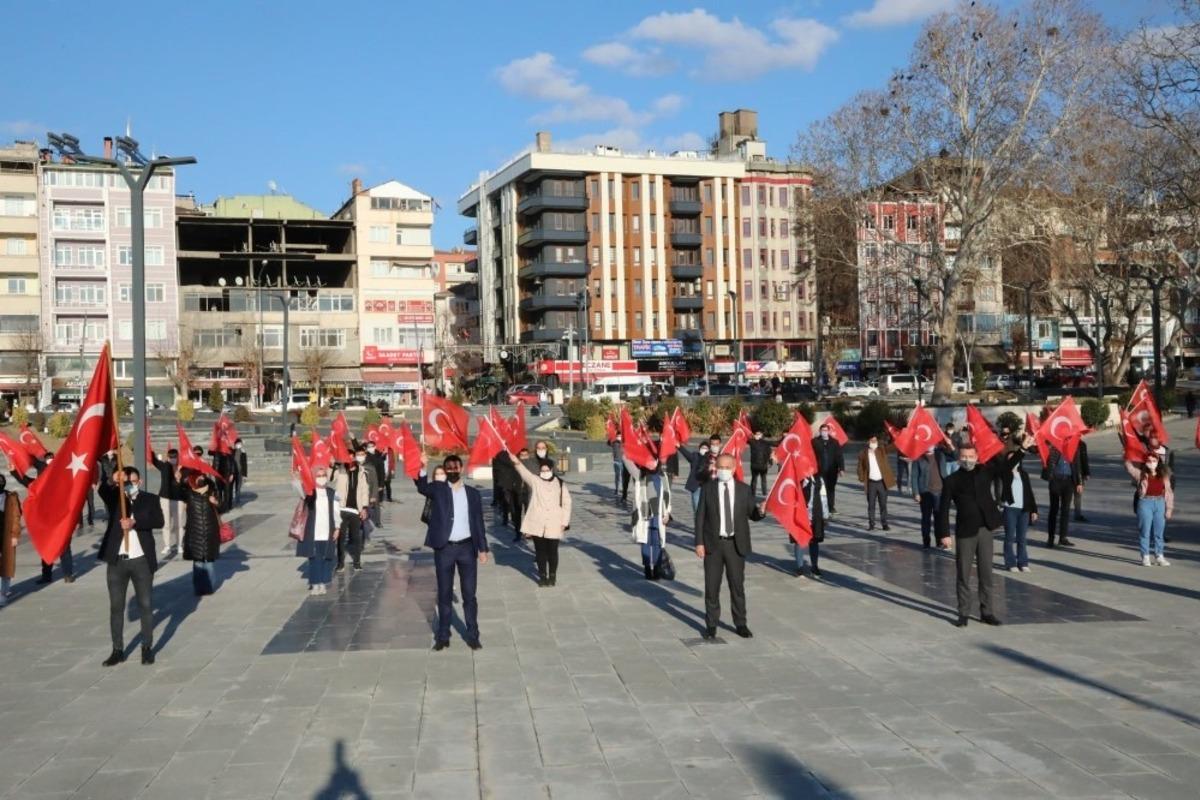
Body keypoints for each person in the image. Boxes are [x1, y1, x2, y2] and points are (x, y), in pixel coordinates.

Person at [937, 441, 1025, 627]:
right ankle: (963, 613)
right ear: (958, 458)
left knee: (986, 573)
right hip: (965, 532)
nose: (967, 460)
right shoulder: (952, 480)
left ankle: (987, 612)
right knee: (963, 574)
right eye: (964, 457)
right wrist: (944, 533)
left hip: (986, 529)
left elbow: (1006, 467)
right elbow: (943, 509)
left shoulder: (985, 471)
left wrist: (1022, 449)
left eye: (970, 456)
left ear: (976, 457)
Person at [416, 454, 488, 651]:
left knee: (469, 595)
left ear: (461, 469)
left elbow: (478, 523)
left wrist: (483, 549)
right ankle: (443, 635)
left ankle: (473, 635)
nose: (452, 471)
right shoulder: (438, 490)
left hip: (467, 549)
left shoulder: (473, 494)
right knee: (444, 594)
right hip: (445, 549)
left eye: (455, 468)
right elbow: (422, 487)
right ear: (445, 471)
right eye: (448, 468)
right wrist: (422, 466)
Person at [694, 453, 766, 640]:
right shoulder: (708, 489)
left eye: (727, 467)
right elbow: (700, 517)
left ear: (734, 469)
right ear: (715, 469)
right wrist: (699, 542)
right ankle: (711, 625)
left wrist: (761, 511)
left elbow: (752, 514)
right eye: (720, 467)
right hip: (713, 545)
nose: (723, 471)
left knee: (737, 587)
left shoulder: (743, 490)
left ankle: (740, 623)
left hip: (735, 545)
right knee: (711, 588)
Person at [98, 467, 164, 666]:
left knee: (145, 605)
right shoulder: (117, 498)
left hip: (141, 560)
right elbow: (103, 491)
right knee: (116, 607)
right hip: (117, 561)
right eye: (126, 482)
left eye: (133, 482)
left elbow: (158, 520)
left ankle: (146, 647)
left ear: (140, 481)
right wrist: (112, 480)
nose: (130, 485)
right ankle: (117, 649)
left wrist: (135, 522)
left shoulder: (150, 499)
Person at [504, 449, 572, 586]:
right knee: (540, 552)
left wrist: (564, 522)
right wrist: (516, 461)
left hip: (555, 521)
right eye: (543, 470)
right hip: (538, 521)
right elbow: (524, 473)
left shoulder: (560, 483)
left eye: (547, 470)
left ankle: (552, 575)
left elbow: (567, 502)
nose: (544, 472)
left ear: (552, 470)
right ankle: (542, 576)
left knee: (552, 552)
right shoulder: (535, 480)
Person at [293, 465, 340, 596]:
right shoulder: (310, 492)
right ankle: (314, 583)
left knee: (326, 557)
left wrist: (337, 527)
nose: (321, 478)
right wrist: (297, 480)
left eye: (323, 475)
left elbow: (336, 511)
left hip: (327, 530)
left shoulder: (333, 492)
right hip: (312, 530)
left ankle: (323, 582)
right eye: (318, 476)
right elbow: (299, 491)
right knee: (314, 557)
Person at [626, 455, 671, 580]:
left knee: (657, 542)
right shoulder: (640, 474)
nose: (652, 463)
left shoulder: (663, 475)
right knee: (645, 542)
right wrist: (624, 447)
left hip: (658, 514)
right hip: (644, 515)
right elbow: (628, 463)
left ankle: (656, 569)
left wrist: (667, 512)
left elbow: (667, 494)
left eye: (654, 461)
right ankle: (647, 568)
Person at [333, 447, 376, 573]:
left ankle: (357, 562)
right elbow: (330, 477)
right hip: (341, 509)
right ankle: (340, 563)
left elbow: (364, 491)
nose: (351, 458)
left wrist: (364, 508)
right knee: (341, 538)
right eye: (348, 456)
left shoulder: (361, 472)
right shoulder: (340, 470)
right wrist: (332, 464)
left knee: (356, 537)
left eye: (353, 456)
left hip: (355, 510)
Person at [179, 474, 221, 595]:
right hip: (195, 532)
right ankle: (198, 589)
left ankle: (209, 588)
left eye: (202, 476)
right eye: (197, 476)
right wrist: (179, 478)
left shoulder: (212, 491)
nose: (200, 478)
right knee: (198, 562)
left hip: (210, 532)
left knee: (209, 562)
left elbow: (223, 507)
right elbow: (176, 491)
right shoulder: (189, 493)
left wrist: (216, 502)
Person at [1000, 445, 1038, 573]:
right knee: (1009, 537)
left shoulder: (1024, 474)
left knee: (1022, 538)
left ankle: (1023, 562)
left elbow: (1029, 492)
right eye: (1011, 459)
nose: (1014, 461)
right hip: (1010, 508)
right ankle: (1010, 563)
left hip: (1024, 509)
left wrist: (1034, 510)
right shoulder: (1005, 473)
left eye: (1015, 459)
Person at [1133, 454, 1173, 566]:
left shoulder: (1164, 475)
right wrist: (1127, 456)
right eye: (1149, 461)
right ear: (1145, 462)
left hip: (1160, 502)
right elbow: (1129, 467)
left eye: (1154, 460)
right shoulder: (1141, 474)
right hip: (1145, 502)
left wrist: (1169, 509)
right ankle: (1145, 556)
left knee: (1159, 532)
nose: (1151, 463)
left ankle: (1159, 555)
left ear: (1158, 461)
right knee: (1145, 531)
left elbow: (1169, 493)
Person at [1043, 442, 1082, 548]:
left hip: (1068, 481)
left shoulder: (1073, 447)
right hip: (1055, 479)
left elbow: (1077, 465)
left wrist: (1079, 482)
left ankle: (1063, 537)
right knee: (1053, 510)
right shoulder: (1053, 446)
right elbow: (1042, 453)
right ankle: (1051, 538)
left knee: (1066, 510)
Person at [856, 435, 895, 531]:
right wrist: (861, 477)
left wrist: (898, 438)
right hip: (871, 483)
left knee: (883, 504)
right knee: (871, 505)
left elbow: (892, 447)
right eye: (872, 440)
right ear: (868, 442)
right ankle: (871, 524)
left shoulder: (882, 450)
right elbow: (860, 467)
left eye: (875, 440)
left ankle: (884, 524)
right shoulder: (863, 453)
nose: (874, 442)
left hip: (882, 482)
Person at [151, 447, 184, 557]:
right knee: (166, 523)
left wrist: (180, 479)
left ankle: (179, 545)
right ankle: (167, 546)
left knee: (178, 523)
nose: (173, 459)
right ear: (168, 457)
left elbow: (187, 483)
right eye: (171, 457)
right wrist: (149, 449)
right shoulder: (165, 466)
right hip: (165, 498)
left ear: (178, 457)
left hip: (178, 499)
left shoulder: (183, 468)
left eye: (175, 457)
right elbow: (154, 460)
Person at [911, 447, 944, 549]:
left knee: (939, 518)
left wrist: (950, 444)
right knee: (926, 518)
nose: (930, 445)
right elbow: (914, 476)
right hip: (925, 492)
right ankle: (926, 541)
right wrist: (916, 493)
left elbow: (954, 456)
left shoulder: (940, 455)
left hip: (939, 491)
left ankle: (939, 541)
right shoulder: (918, 458)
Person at [794, 474, 826, 578]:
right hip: (801, 514)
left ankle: (814, 566)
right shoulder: (799, 479)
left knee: (814, 540)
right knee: (800, 541)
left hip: (815, 514)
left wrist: (825, 514)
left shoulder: (819, 479)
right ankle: (800, 567)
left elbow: (823, 497)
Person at [812, 424, 844, 515]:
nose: (824, 432)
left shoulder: (834, 442)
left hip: (832, 470)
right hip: (819, 470)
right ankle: (820, 506)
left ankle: (831, 507)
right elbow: (810, 455)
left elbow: (839, 456)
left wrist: (841, 468)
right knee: (820, 489)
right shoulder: (814, 442)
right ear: (820, 431)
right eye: (822, 430)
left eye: (826, 430)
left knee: (830, 489)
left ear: (829, 431)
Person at [678, 438, 715, 512]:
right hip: (696, 487)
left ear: (709, 449)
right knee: (697, 509)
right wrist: (679, 446)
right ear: (699, 448)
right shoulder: (695, 456)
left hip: (707, 487)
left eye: (706, 448)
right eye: (702, 447)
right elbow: (686, 453)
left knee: (707, 510)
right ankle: (697, 523)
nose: (704, 449)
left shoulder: (711, 458)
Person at [0, 475, 19, 605]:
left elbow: (16, 517)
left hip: (6, 534)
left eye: (1, 481)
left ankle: (4, 593)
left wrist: (15, 536)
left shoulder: (11, 497)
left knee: (6, 565)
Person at [364, 441, 386, 527]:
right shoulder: (365, 456)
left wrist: (381, 485)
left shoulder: (378, 456)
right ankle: (365, 519)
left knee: (376, 504)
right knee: (365, 501)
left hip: (375, 482)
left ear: (374, 446)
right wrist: (354, 439)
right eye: (368, 446)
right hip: (366, 481)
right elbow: (357, 449)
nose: (370, 448)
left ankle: (378, 521)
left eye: (371, 446)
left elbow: (382, 472)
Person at [748, 430, 773, 496]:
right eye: (756, 434)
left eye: (758, 434)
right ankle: (752, 493)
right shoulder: (752, 442)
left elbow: (769, 453)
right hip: (754, 465)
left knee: (763, 479)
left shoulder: (765, 443)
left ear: (762, 435)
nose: (757, 435)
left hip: (763, 465)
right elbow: (747, 439)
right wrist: (752, 436)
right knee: (754, 479)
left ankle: (764, 493)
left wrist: (770, 462)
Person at [1072, 438, 1090, 523]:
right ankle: (1063, 513)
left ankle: (1077, 513)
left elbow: (1084, 459)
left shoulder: (1082, 444)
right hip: (1070, 472)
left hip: (1080, 473)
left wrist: (1087, 473)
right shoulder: (1067, 443)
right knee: (1067, 495)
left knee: (1078, 495)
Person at [610, 433, 627, 500]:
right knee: (617, 476)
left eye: (620, 436)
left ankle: (623, 490)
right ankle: (617, 489)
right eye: (618, 436)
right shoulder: (614, 443)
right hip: (616, 461)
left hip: (623, 462)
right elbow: (609, 442)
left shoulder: (623, 443)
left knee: (623, 477)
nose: (619, 437)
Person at [232, 439, 247, 507]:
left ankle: (237, 501)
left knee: (238, 486)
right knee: (231, 487)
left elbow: (244, 464)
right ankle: (230, 500)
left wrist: (244, 475)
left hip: (240, 472)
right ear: (235, 444)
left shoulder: (243, 452)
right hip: (232, 472)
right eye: (238, 443)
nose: (239, 445)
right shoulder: (231, 452)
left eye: (240, 444)